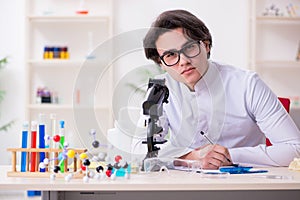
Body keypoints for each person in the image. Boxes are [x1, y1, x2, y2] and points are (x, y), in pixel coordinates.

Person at [131, 9, 300, 169]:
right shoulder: (160, 90)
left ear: (206, 46)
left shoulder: (248, 84)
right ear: (161, 64)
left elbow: (294, 149)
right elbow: (139, 150)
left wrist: (229, 156)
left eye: (189, 47)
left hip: (245, 183)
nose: (183, 61)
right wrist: (192, 157)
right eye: (170, 55)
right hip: (183, 185)